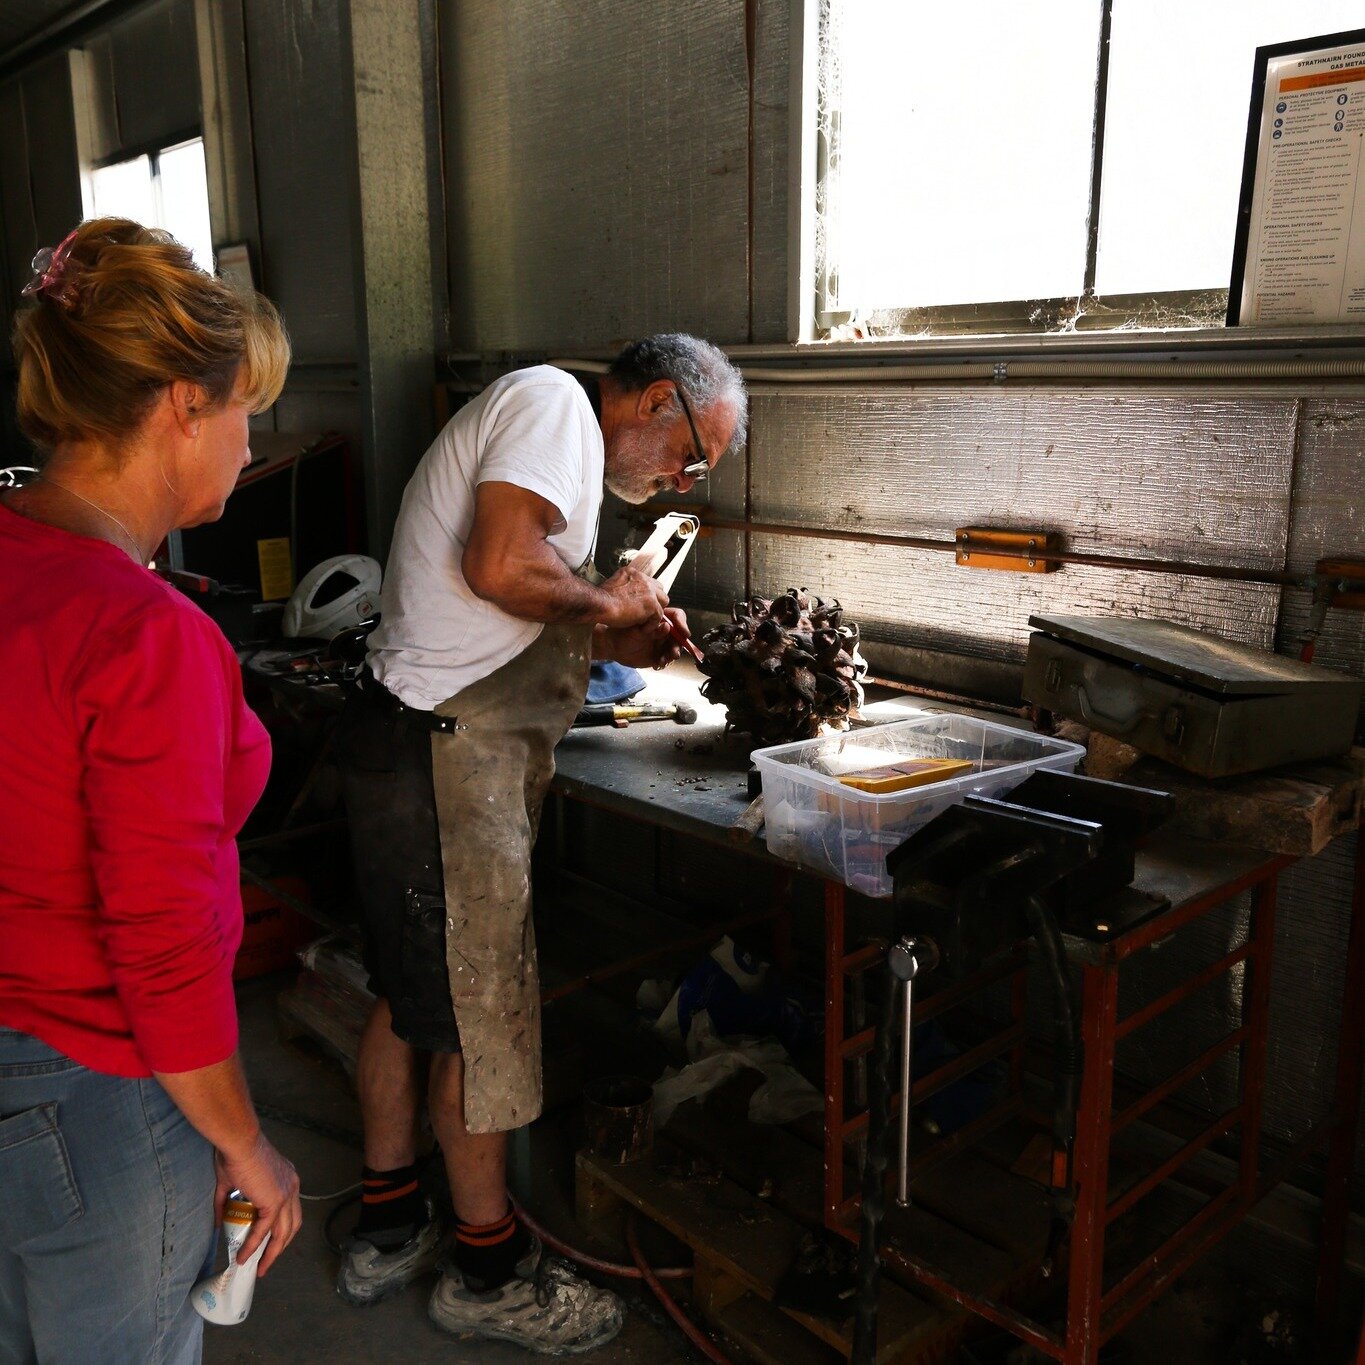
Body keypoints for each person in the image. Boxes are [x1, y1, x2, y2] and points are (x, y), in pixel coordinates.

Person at [336, 335, 747, 1351]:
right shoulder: (558, 411)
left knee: (414, 993)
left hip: (406, 744)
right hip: (446, 762)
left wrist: (614, 627)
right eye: (692, 458)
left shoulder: (543, 432)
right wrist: (607, 601)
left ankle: (387, 1222)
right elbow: (501, 564)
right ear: (657, 401)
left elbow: (510, 602)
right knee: (485, 1023)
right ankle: (487, 1270)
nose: (680, 483)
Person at [0, 219, 303, 1363]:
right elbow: (162, 943)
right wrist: (245, 1145)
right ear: (182, 405)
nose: (247, 443)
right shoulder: (142, 632)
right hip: (101, 1098)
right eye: (243, 411)